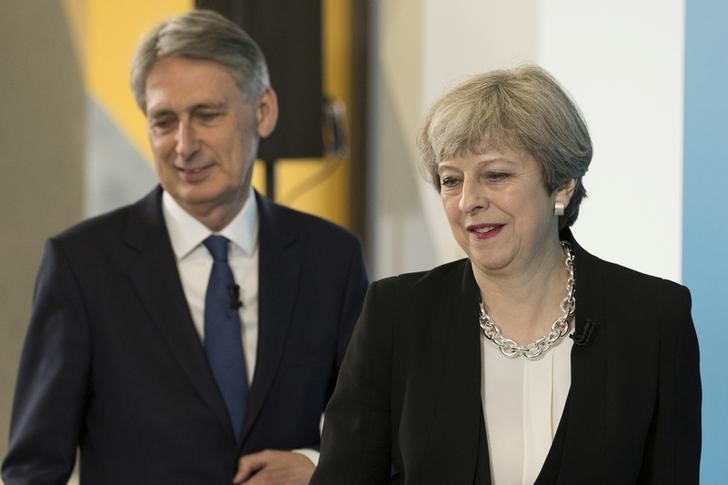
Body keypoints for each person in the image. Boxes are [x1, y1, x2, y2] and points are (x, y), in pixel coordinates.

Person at [2, 9, 367, 485]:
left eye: (206, 115)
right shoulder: (82, 266)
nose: (183, 145)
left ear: (263, 112)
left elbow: (376, 432)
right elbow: (32, 470)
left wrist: (318, 466)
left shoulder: (330, 258)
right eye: (164, 121)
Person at [310, 65, 701, 484]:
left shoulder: (654, 318)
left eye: (496, 175)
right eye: (450, 180)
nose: (468, 202)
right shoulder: (396, 315)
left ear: (563, 184)